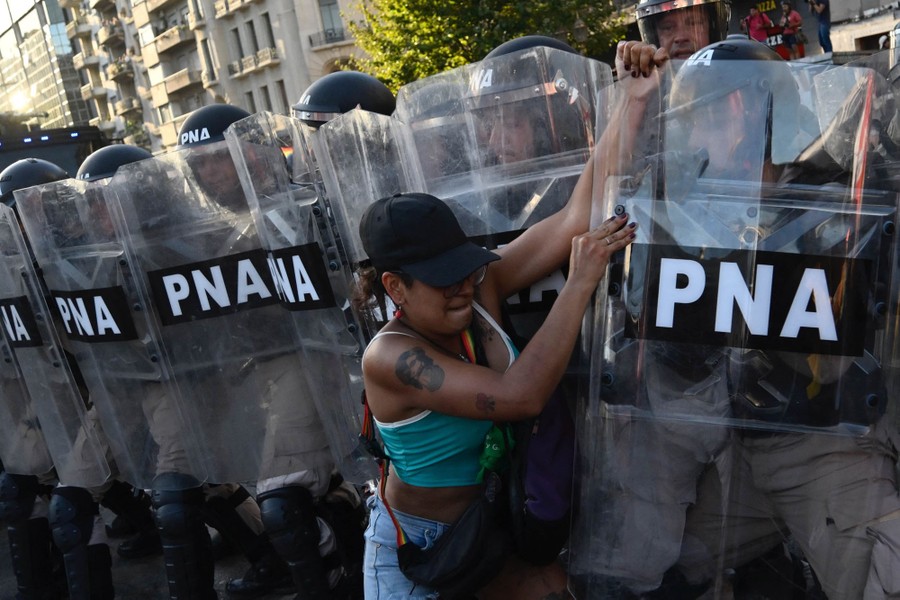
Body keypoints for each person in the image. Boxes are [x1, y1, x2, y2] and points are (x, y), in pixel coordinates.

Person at [650, 38, 900, 600]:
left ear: (744, 113)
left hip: (821, 446)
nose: (692, 136)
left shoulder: (834, 210)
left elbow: (833, 366)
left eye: (704, 117)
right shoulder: (693, 206)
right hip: (728, 446)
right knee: (648, 566)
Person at [225, 71, 398, 600]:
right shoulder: (290, 213)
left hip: (411, 378)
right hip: (327, 370)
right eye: (309, 136)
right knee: (279, 504)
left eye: (328, 135)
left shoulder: (415, 194)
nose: (314, 153)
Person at [636, 0, 731, 60]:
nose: (681, 37)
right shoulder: (651, 89)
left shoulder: (738, 85)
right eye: (667, 27)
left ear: (711, 31)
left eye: (694, 23)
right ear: (656, 37)